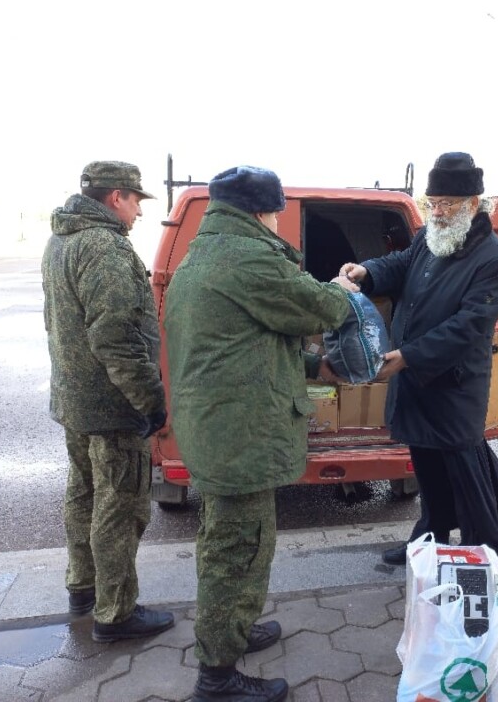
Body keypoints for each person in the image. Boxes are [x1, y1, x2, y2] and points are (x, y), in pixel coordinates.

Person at [164, 166, 357, 702]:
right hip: (238, 434)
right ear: (263, 211)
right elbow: (324, 308)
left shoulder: (206, 251)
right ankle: (217, 677)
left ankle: (237, 628)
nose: (277, 221)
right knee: (235, 549)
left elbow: (254, 339)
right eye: (276, 212)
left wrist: (314, 366)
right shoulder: (249, 257)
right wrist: (342, 285)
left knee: (241, 540)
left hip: (223, 427)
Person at [339, 151, 498, 606]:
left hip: (454, 388)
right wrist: (367, 271)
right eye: (433, 202)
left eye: (447, 203)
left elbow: (468, 328)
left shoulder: (493, 258)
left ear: (473, 203)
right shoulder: (431, 236)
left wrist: (407, 357)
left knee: (471, 486)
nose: (438, 212)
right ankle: (428, 542)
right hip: (417, 380)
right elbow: (402, 264)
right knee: (429, 474)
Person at [42, 160, 174, 643]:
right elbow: (117, 340)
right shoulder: (105, 249)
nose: (139, 211)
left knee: (83, 494)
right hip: (112, 405)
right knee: (120, 506)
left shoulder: (62, 240)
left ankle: (83, 587)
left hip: (75, 399)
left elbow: (56, 322)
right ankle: (115, 613)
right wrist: (151, 402)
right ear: (115, 196)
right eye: (136, 200)